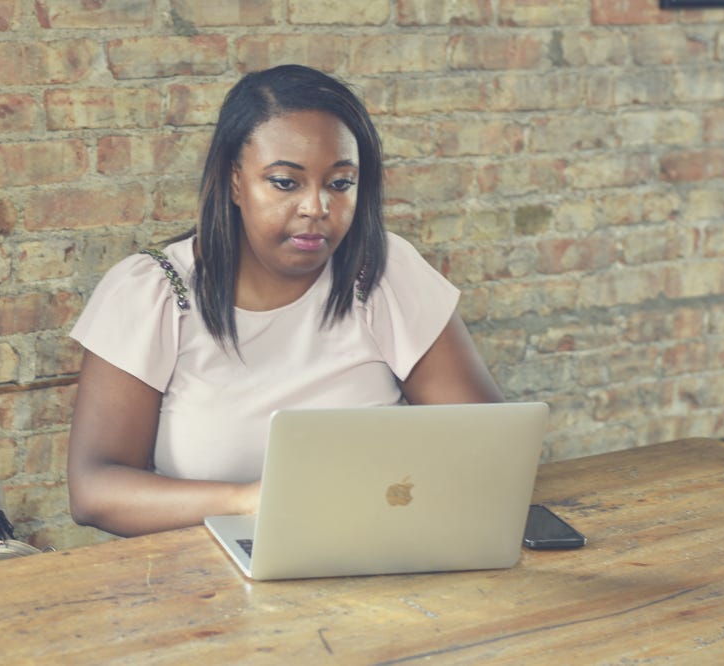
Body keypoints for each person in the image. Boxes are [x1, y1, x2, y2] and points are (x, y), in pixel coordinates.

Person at [67, 64, 503, 537]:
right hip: (205, 571)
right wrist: (252, 501)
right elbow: (94, 490)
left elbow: (488, 445)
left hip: (372, 550)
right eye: (285, 182)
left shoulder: (382, 272)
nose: (316, 207)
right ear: (236, 182)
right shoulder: (152, 293)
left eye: (340, 183)